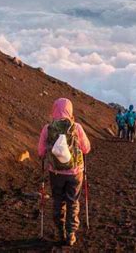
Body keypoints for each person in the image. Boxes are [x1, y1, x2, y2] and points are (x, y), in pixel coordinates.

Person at [38, 98, 91, 246]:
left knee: (58, 201)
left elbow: (41, 152)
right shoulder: (76, 128)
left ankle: (60, 231)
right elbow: (86, 148)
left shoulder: (47, 128)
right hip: (75, 172)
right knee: (72, 201)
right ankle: (71, 233)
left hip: (55, 173)